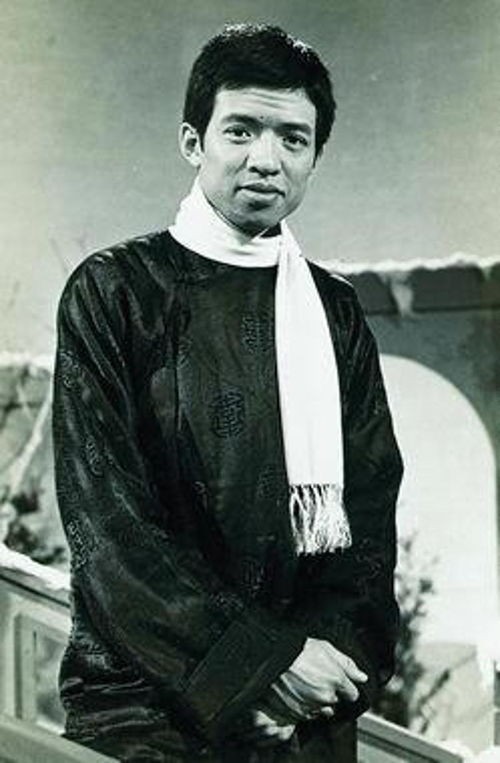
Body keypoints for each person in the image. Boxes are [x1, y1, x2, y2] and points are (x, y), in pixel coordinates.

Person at [52, 23, 403, 763]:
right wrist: (259, 669)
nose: (266, 159)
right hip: (147, 712)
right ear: (193, 142)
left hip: (303, 717)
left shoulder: (334, 312)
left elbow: (369, 519)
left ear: (314, 157)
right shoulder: (116, 290)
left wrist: (320, 670)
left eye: (293, 139)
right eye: (241, 130)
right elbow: (109, 529)